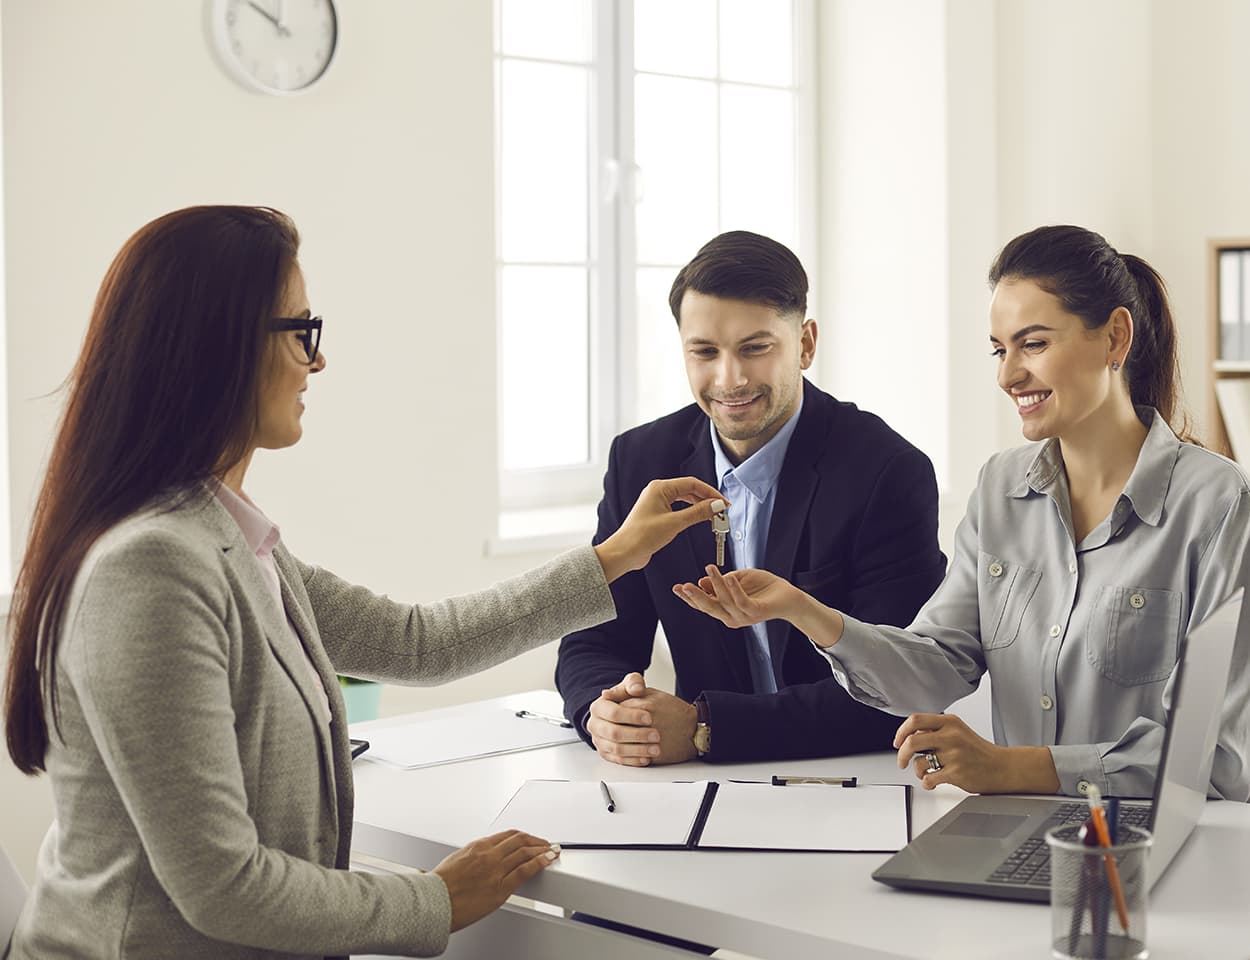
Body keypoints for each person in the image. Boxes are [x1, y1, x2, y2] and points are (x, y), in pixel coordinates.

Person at [1, 205, 726, 960]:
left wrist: (615, 555)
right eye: (301, 333)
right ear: (221, 350)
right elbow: (222, 887)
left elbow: (419, 645)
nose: (318, 363)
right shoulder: (150, 568)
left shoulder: (232, 538)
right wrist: (436, 900)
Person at [677, 224, 1250, 800]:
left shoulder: (1217, 506)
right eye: (1001, 350)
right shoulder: (1001, 488)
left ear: (1114, 338)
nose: (1008, 375)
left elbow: (1221, 756)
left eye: (1034, 344)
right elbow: (934, 665)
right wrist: (803, 611)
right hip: (1015, 835)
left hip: (1160, 856)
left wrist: (1012, 769)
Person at [556, 230, 947, 765]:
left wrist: (704, 729)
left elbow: (898, 692)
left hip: (849, 780)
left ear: (805, 344)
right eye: (705, 352)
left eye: (755, 348)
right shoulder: (641, 461)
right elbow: (593, 642)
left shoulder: (887, 471)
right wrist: (604, 715)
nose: (729, 379)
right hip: (692, 786)